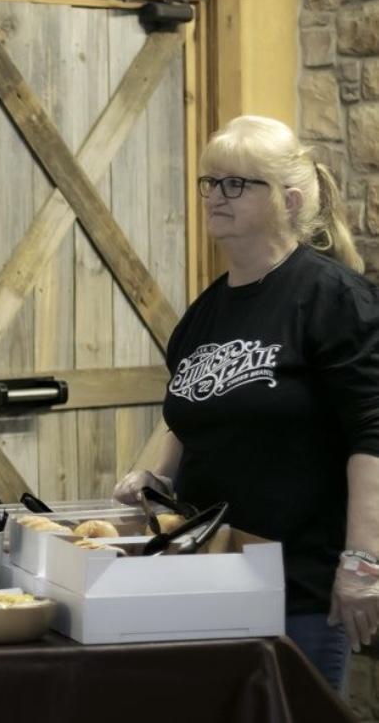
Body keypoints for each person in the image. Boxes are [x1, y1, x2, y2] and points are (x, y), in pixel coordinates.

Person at [113, 115, 379, 692]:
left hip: (299, 586)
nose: (215, 196)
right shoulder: (204, 312)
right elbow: (192, 410)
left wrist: (363, 560)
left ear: (289, 199)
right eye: (210, 181)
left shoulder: (331, 296)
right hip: (208, 574)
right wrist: (152, 474)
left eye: (236, 184)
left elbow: (371, 433)